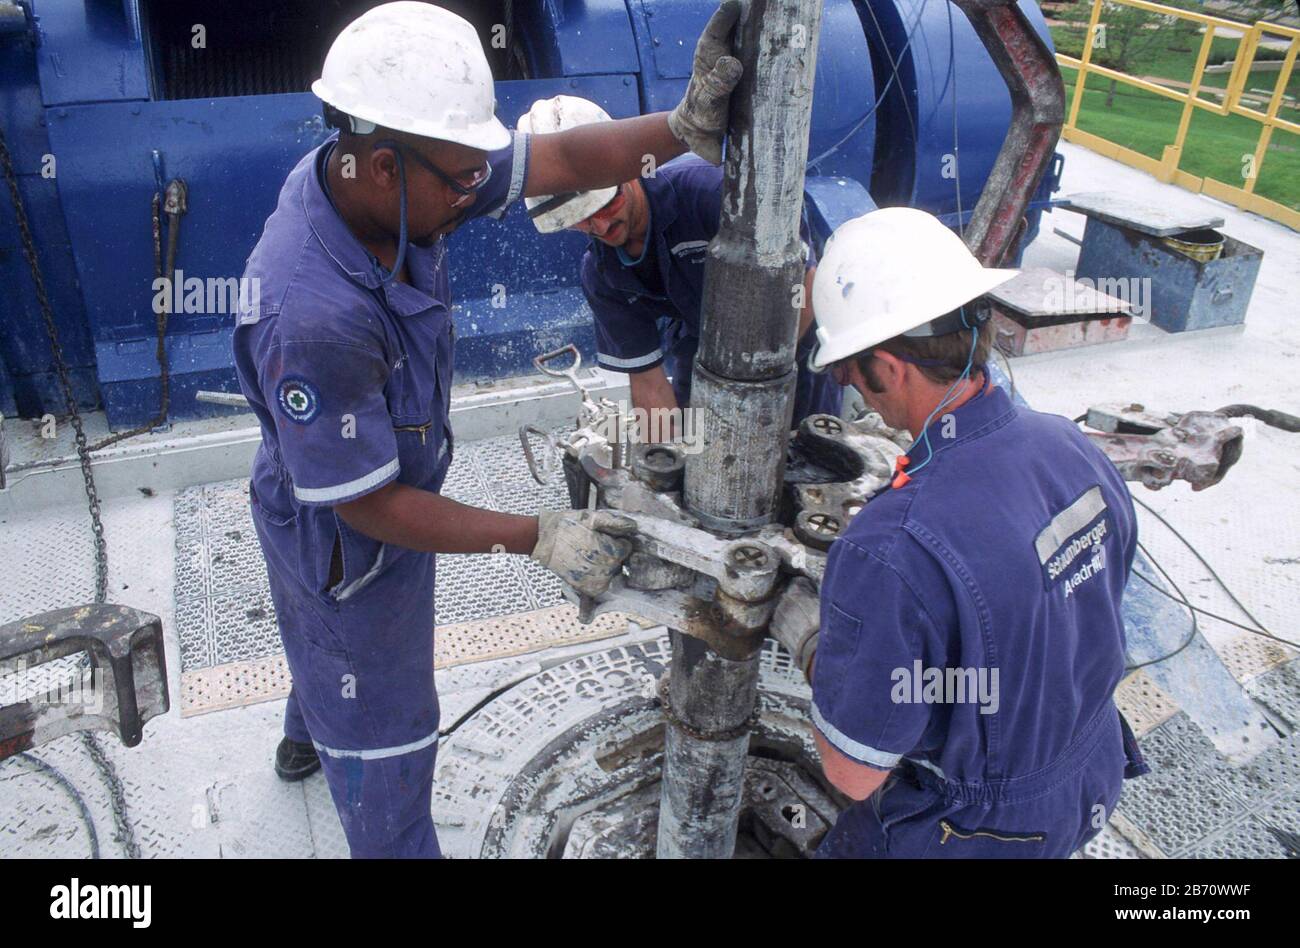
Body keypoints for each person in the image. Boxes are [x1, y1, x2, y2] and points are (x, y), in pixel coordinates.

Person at [232, 0, 744, 858]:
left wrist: (685, 123)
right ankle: (370, 787)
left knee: (323, 649)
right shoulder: (310, 312)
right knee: (385, 719)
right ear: (388, 168)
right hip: (351, 535)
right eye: (466, 178)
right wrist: (537, 536)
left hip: (364, 474)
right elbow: (369, 506)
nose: (481, 190)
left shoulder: (382, 171)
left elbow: (570, 157)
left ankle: (305, 728)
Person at [770, 207, 1148, 858]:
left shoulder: (891, 545)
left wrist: (809, 637)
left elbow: (850, 774)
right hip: (1091, 770)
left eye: (847, 372)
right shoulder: (1070, 446)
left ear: (889, 367)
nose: (852, 391)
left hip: (973, 831)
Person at [518, 95, 841, 440]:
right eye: (579, 221)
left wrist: (761, 379)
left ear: (627, 170)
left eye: (605, 204)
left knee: (805, 454)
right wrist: (663, 463)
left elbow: (802, 286)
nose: (599, 226)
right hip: (702, 343)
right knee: (696, 446)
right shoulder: (602, 276)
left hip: (789, 338)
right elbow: (648, 382)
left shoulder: (714, 194)